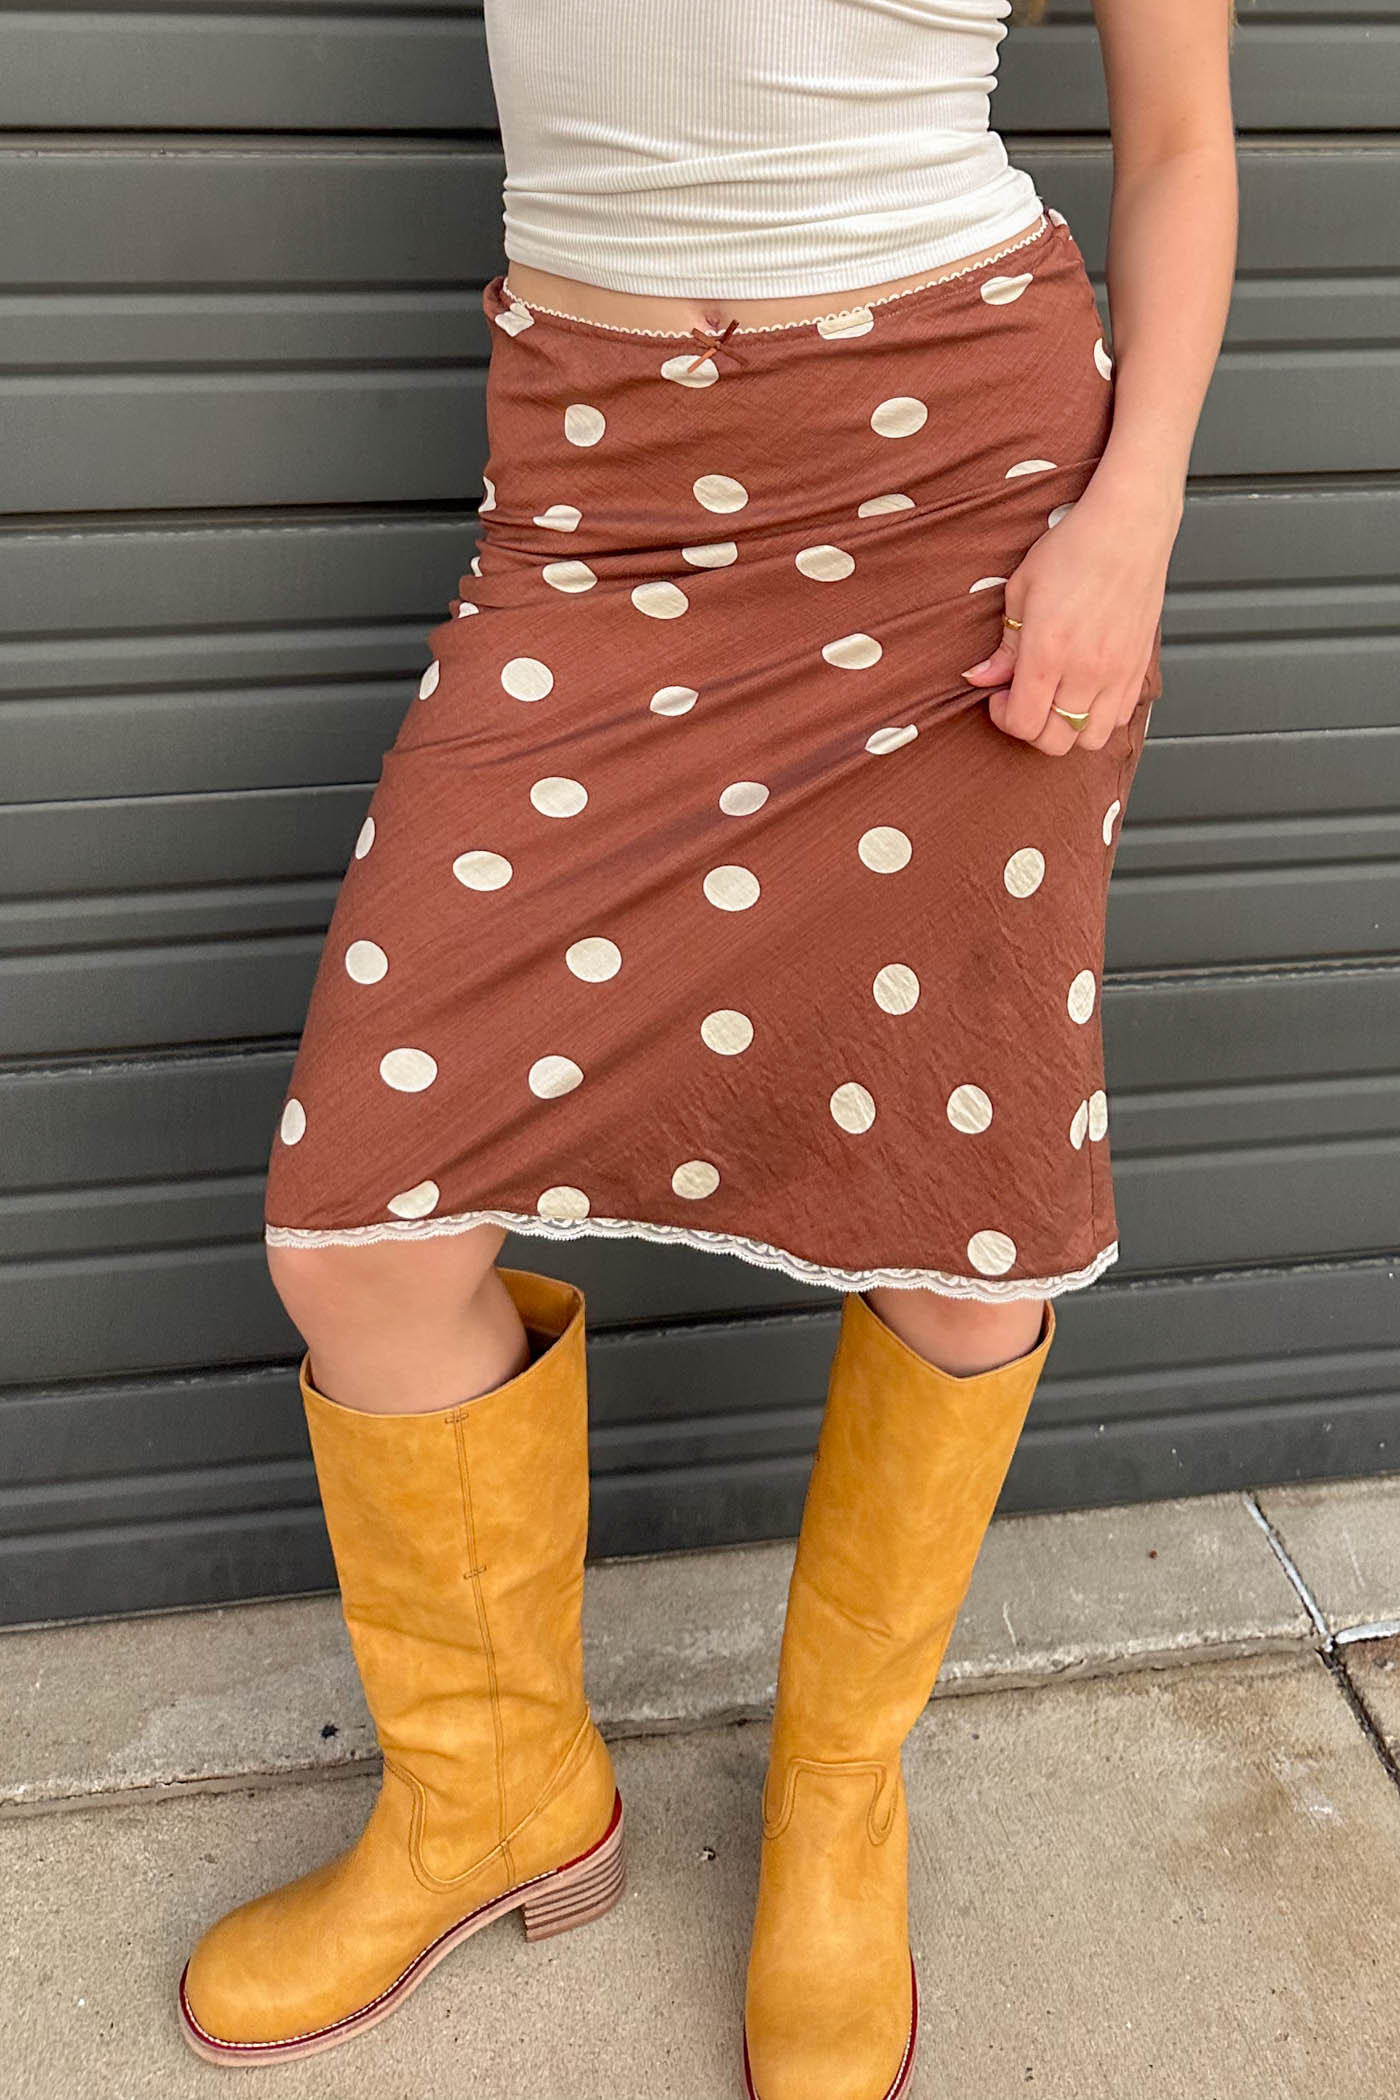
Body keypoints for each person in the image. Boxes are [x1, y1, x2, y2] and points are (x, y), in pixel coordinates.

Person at [176, 2, 1237, 2093]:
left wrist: (1132, 519)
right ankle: (495, 1800)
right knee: (364, 1228)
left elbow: (1182, 140)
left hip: (964, 480)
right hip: (596, 489)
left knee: (959, 1223)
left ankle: (838, 1804)